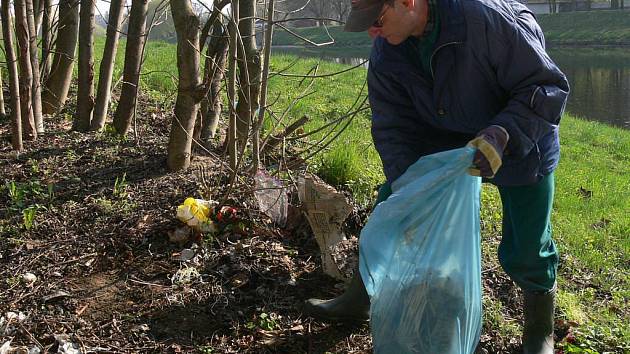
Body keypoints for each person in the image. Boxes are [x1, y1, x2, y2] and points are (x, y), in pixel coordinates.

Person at [302, 0, 569, 353]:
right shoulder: (387, 52)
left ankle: (539, 332)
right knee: (393, 209)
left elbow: (546, 86)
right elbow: (392, 125)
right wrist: (407, 187)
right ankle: (360, 297)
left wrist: (503, 134)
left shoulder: (484, 20)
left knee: (528, 245)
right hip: (445, 134)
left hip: (519, 138)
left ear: (408, 3)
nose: (373, 31)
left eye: (377, 19)